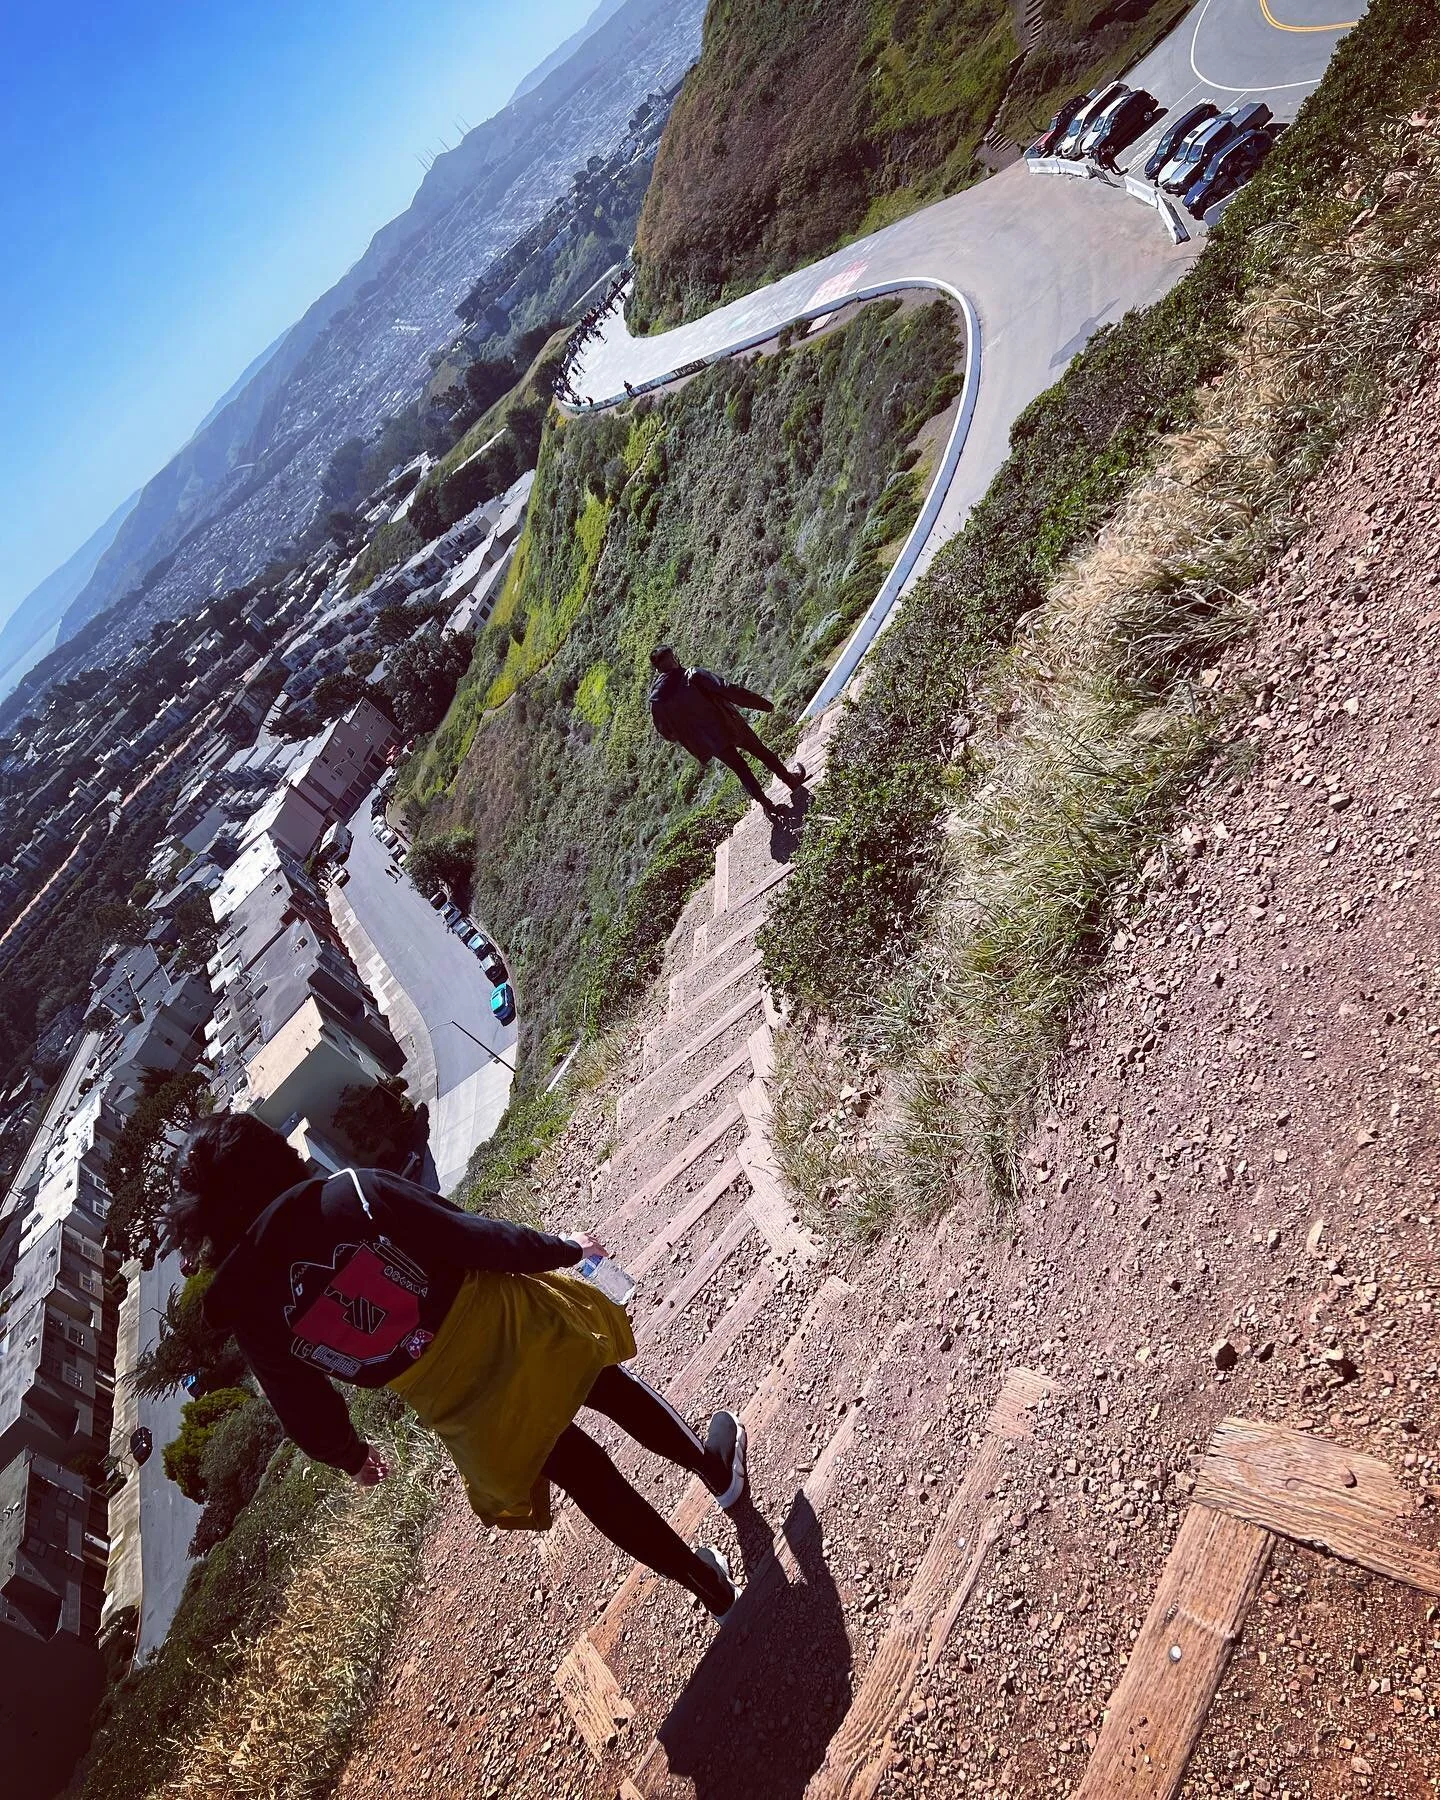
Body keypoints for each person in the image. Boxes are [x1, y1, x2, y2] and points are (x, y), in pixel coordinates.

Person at [165, 1112, 748, 1617]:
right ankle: (716, 1472)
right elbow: (473, 1238)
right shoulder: (349, 1197)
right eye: (281, 1146)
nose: (295, 1150)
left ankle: (706, 1586)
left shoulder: (255, 1313)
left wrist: (348, 1453)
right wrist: (564, 1249)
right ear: (271, 1166)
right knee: (610, 1389)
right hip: (506, 1326)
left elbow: (301, 1404)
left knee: (585, 1475)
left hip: (452, 1398)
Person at [648, 645, 806, 823]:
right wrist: (762, 704)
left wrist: (690, 734)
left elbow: (666, 732)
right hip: (730, 724)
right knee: (762, 752)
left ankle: (768, 806)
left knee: (741, 770)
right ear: (674, 658)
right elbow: (728, 689)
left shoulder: (657, 700)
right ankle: (790, 780)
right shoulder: (692, 675)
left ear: (657, 669)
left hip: (710, 742)